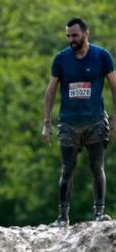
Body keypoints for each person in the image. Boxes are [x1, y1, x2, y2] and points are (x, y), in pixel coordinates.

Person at [43, 17, 116, 225]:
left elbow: (114, 86)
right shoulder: (61, 59)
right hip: (69, 121)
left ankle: (99, 213)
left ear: (86, 33)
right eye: (68, 36)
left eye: (74, 35)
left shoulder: (102, 56)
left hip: (95, 120)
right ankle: (62, 217)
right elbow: (50, 91)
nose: (71, 39)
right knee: (67, 168)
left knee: (96, 166)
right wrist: (47, 123)